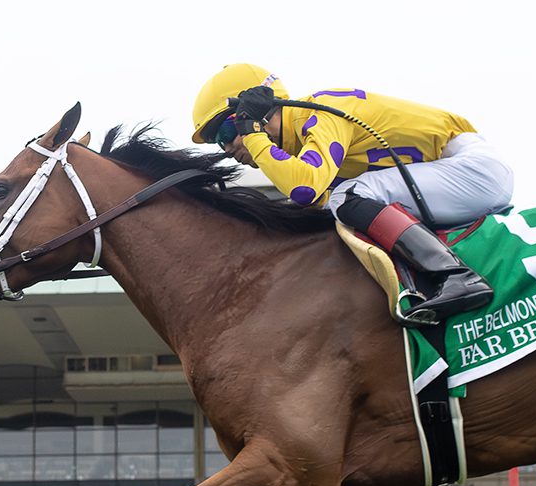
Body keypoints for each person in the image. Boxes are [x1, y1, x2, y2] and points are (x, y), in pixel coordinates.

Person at [191, 64, 514, 322]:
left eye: (228, 131)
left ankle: (456, 275)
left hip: (472, 170)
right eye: (219, 142)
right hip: (452, 177)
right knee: (337, 204)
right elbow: (313, 204)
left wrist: (253, 136)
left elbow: (304, 190)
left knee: (347, 195)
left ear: (258, 110)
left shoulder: (320, 112)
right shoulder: (301, 144)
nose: (228, 148)